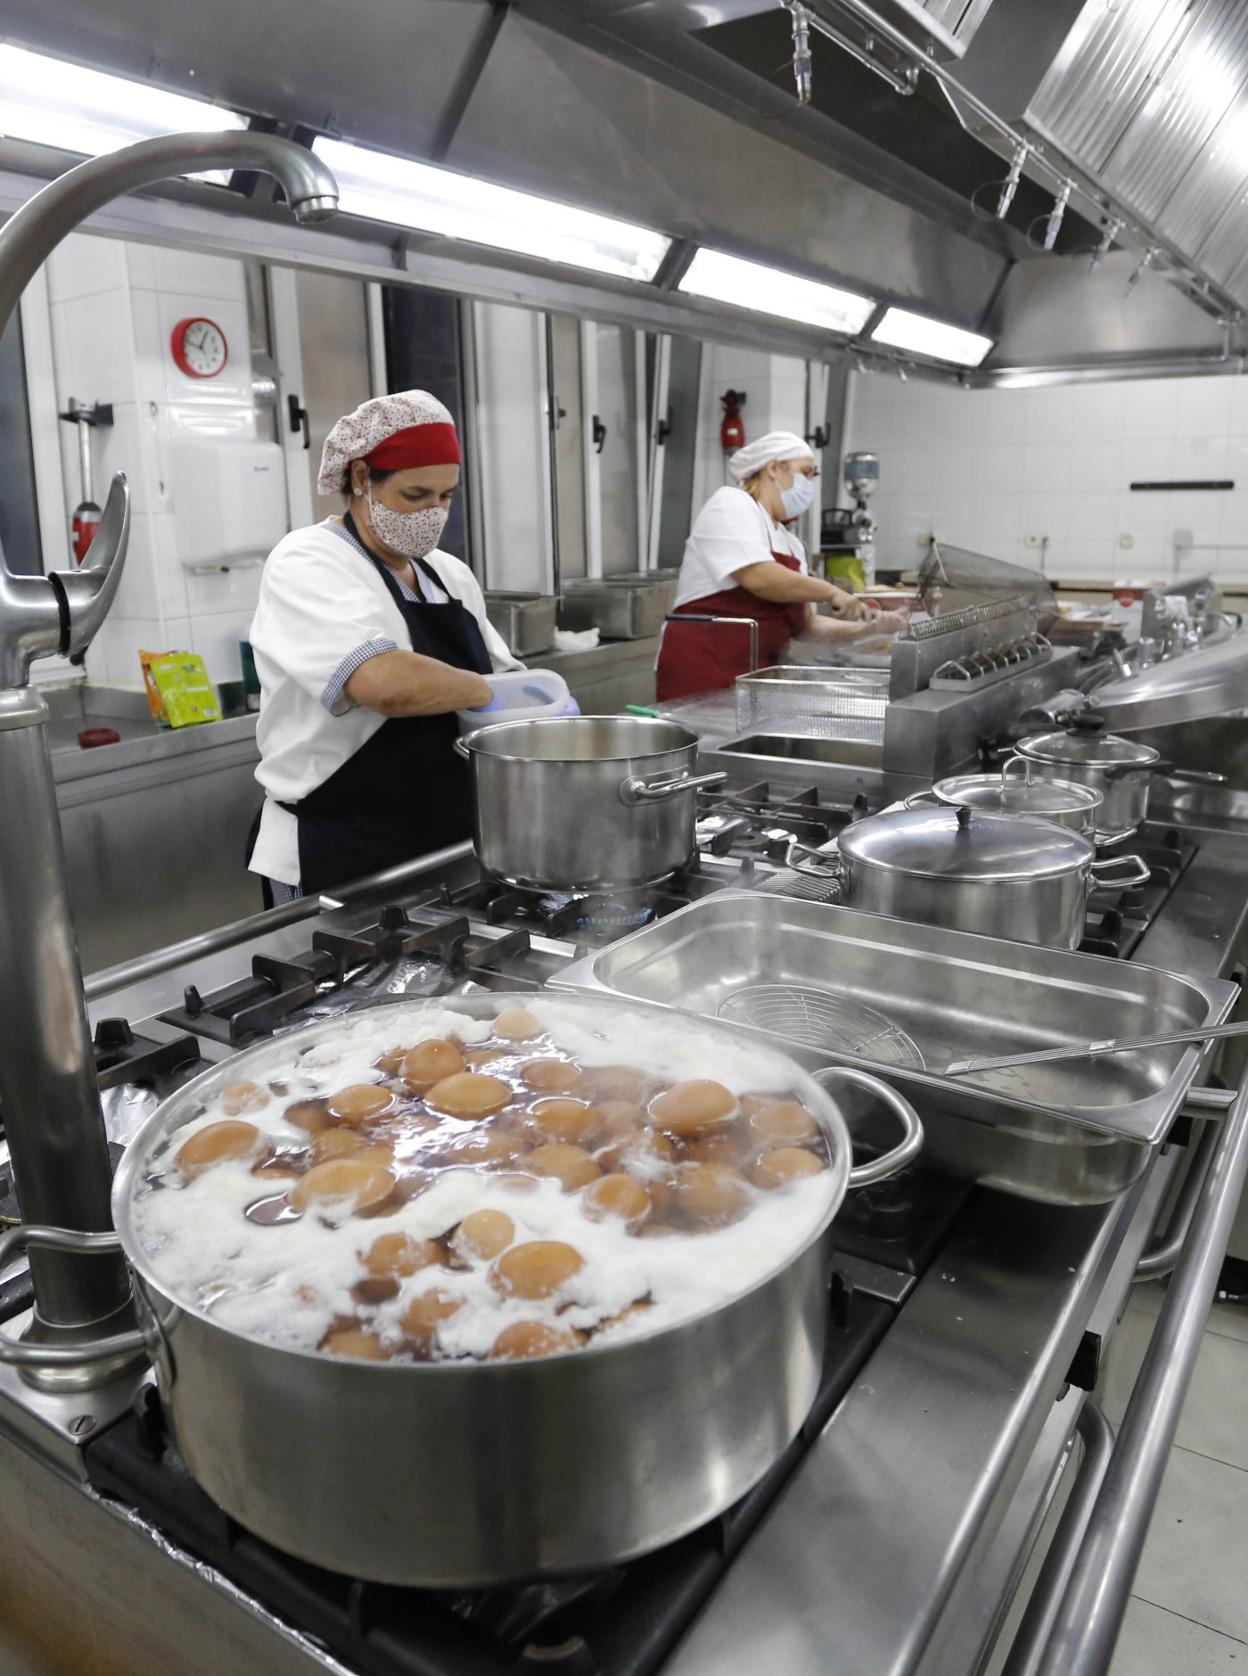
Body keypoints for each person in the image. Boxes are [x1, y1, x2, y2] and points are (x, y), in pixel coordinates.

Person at [247, 390, 522, 902]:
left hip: (442, 841)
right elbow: (383, 683)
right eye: (416, 496)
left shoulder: (449, 574)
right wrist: (491, 691)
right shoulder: (308, 560)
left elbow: (512, 690)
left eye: (446, 497)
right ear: (359, 479)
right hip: (338, 848)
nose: (434, 514)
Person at [656, 431, 905, 701]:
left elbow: (805, 626)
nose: (810, 484)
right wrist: (831, 592)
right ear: (774, 468)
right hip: (703, 673)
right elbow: (760, 578)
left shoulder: (790, 545)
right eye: (805, 473)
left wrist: (867, 630)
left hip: (755, 681)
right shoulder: (730, 504)